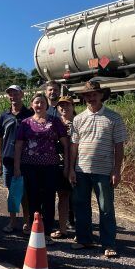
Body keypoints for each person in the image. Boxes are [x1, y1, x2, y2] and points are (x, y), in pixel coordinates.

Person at [69, 81, 127, 258]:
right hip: (81, 169)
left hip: (104, 171)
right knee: (81, 206)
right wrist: (71, 169)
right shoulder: (78, 119)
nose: (91, 97)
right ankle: (84, 239)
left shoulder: (114, 117)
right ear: (84, 97)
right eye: (87, 95)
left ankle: (108, 244)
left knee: (106, 208)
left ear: (101, 95)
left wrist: (116, 170)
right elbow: (74, 145)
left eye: (94, 94)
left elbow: (119, 146)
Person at [14, 92, 68, 245]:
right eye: (36, 102)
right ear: (32, 105)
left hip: (50, 166)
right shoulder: (25, 123)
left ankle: (47, 232)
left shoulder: (55, 121)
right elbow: (18, 146)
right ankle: (35, 231)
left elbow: (65, 144)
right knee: (33, 199)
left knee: (49, 199)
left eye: (42, 102)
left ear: (46, 105)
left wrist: (67, 165)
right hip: (29, 166)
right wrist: (17, 167)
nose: (39, 105)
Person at [0, 84, 33, 233]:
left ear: (22, 94)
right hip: (7, 160)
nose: (13, 96)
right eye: (10, 94)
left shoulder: (29, 114)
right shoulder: (4, 116)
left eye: (16, 93)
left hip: (26, 160)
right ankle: (12, 222)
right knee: (11, 192)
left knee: (25, 193)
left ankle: (26, 222)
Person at [51, 95, 76, 239]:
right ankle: (62, 228)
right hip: (56, 164)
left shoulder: (78, 122)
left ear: (73, 106)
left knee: (76, 198)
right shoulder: (54, 122)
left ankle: (81, 231)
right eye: (61, 105)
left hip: (76, 165)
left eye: (67, 105)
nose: (64, 108)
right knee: (61, 196)